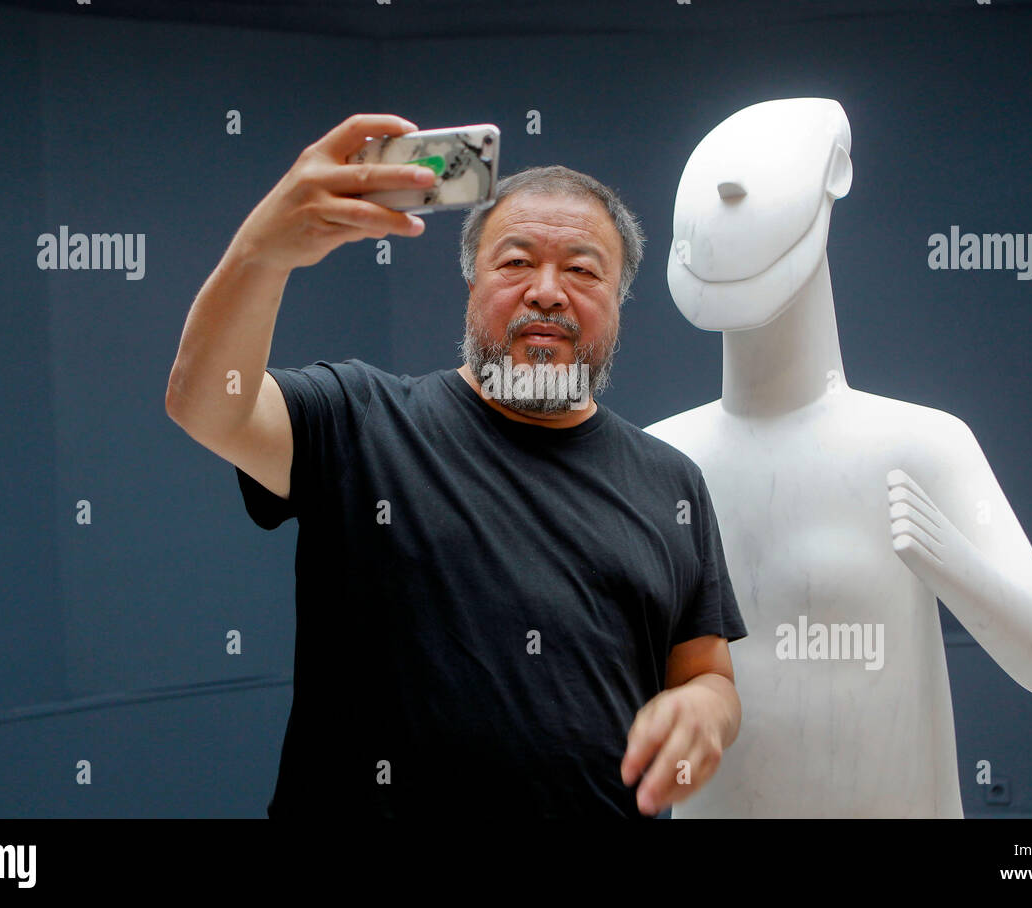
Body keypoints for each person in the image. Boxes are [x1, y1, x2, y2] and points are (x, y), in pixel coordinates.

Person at [165, 113, 748, 818]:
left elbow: (706, 671)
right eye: (516, 261)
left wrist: (703, 712)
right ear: (472, 287)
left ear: (619, 304)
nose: (547, 290)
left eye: (583, 270)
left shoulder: (672, 480)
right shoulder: (360, 418)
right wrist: (263, 253)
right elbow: (205, 402)